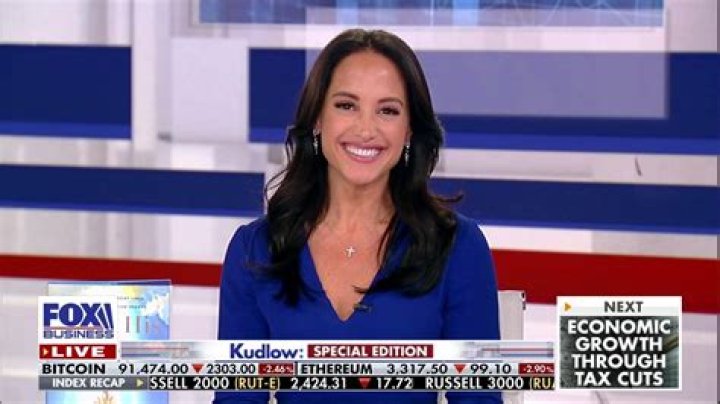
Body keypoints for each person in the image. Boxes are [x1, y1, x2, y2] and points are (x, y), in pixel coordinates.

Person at [215, 28, 501, 404]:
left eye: (387, 110)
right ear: (318, 119)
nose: (366, 130)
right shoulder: (255, 249)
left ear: (409, 131)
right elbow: (236, 399)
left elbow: (479, 399)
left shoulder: (458, 247)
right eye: (346, 105)